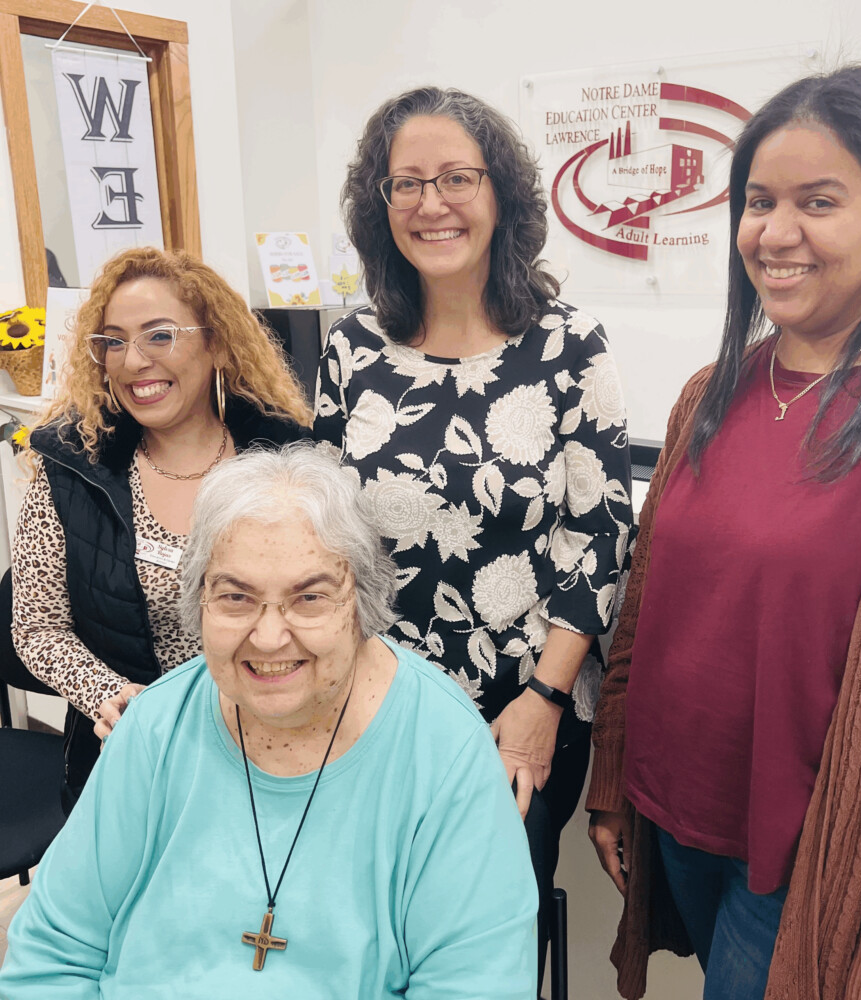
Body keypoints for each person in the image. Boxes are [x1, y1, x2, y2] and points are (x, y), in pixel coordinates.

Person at [587, 64, 861, 1000]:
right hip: (677, 818)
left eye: (818, 201)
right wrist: (616, 776)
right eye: (758, 201)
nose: (776, 233)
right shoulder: (709, 395)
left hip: (804, 847)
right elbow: (649, 599)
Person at [0, 446, 537, 999]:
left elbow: (476, 985)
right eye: (236, 597)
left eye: (309, 598)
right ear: (199, 600)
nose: (269, 637)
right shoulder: (155, 728)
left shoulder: (445, 753)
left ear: (363, 601)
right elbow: (51, 956)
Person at [313, 85, 634, 977]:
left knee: (485, 937)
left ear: (502, 195)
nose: (431, 203)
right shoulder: (354, 347)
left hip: (521, 702)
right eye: (405, 183)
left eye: (457, 177)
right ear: (380, 207)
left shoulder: (569, 343)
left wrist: (539, 706)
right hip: (379, 701)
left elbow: (602, 535)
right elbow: (330, 529)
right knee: (372, 918)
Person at [11, 247, 313, 805]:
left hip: (275, 756)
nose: (133, 361)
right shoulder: (71, 468)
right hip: (132, 763)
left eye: (160, 335)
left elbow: (331, 612)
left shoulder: (290, 463)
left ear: (215, 341)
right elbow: (36, 627)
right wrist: (119, 701)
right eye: (114, 341)